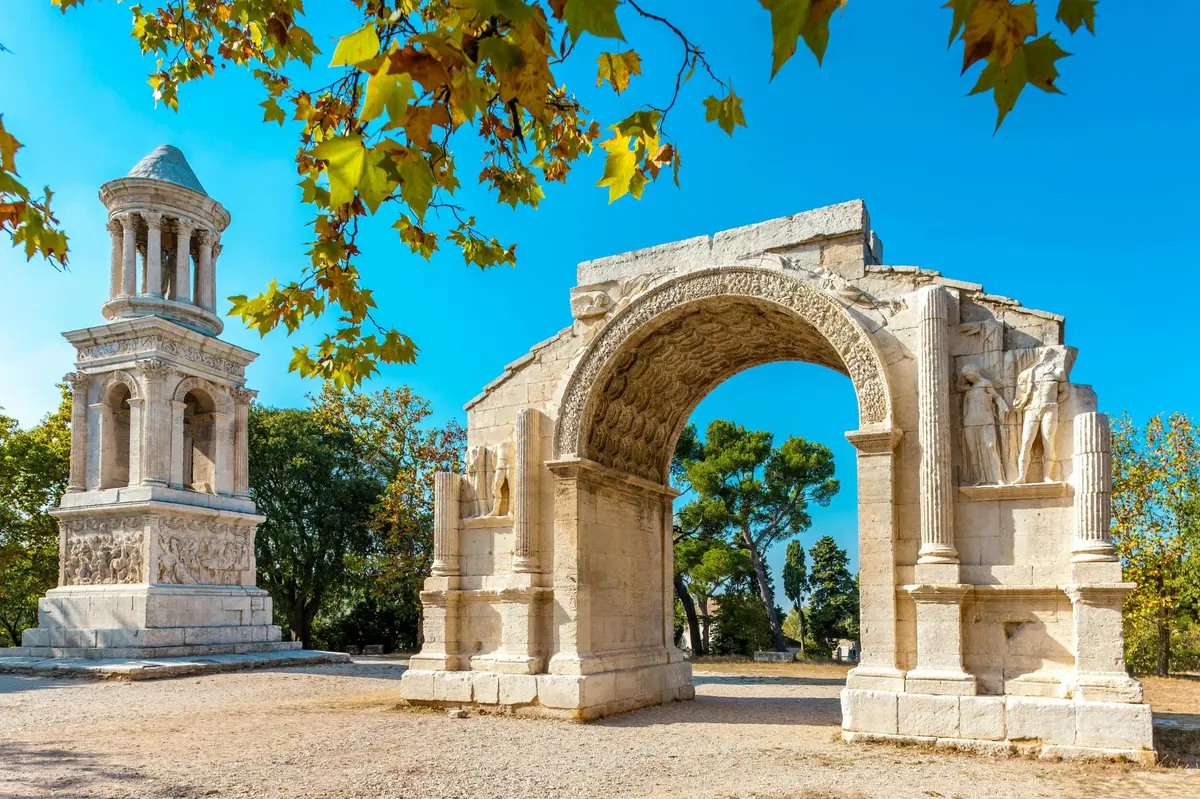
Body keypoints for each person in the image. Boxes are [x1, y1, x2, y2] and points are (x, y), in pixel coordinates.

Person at [1013, 349, 1069, 483]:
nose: (1047, 356)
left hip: (1050, 408)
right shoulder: (1028, 373)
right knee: (1026, 442)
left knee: (1048, 440)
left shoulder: (1058, 372)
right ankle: (1022, 476)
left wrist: (1053, 403)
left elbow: (1065, 393)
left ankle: (1046, 476)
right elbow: (1019, 395)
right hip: (1032, 409)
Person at [961, 363, 1009, 485]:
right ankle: (979, 478)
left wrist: (1002, 405)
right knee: (973, 451)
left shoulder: (985, 383)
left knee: (990, 446)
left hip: (985, 419)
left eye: (969, 374)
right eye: (966, 376)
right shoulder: (968, 389)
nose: (969, 378)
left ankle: (998, 477)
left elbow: (996, 397)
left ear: (975, 371)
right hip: (970, 421)